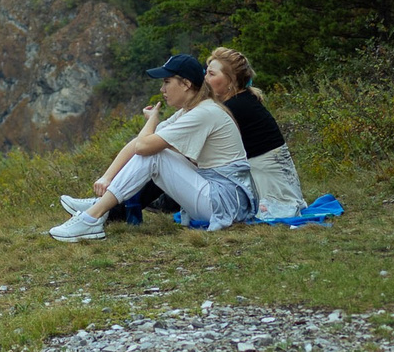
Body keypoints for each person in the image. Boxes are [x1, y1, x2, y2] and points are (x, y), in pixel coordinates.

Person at [49, 53, 252, 241]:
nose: (162, 90)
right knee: (154, 152)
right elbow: (138, 144)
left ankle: (91, 219)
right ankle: (99, 207)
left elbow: (144, 147)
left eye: (166, 82)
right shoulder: (191, 110)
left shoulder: (204, 113)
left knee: (155, 155)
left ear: (186, 84)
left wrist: (152, 120)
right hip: (222, 196)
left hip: (227, 203)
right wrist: (107, 178)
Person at [204, 46, 304, 219]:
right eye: (206, 73)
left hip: (270, 189)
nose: (205, 79)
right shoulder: (242, 100)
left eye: (212, 74)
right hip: (271, 182)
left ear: (231, 80)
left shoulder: (235, 108)